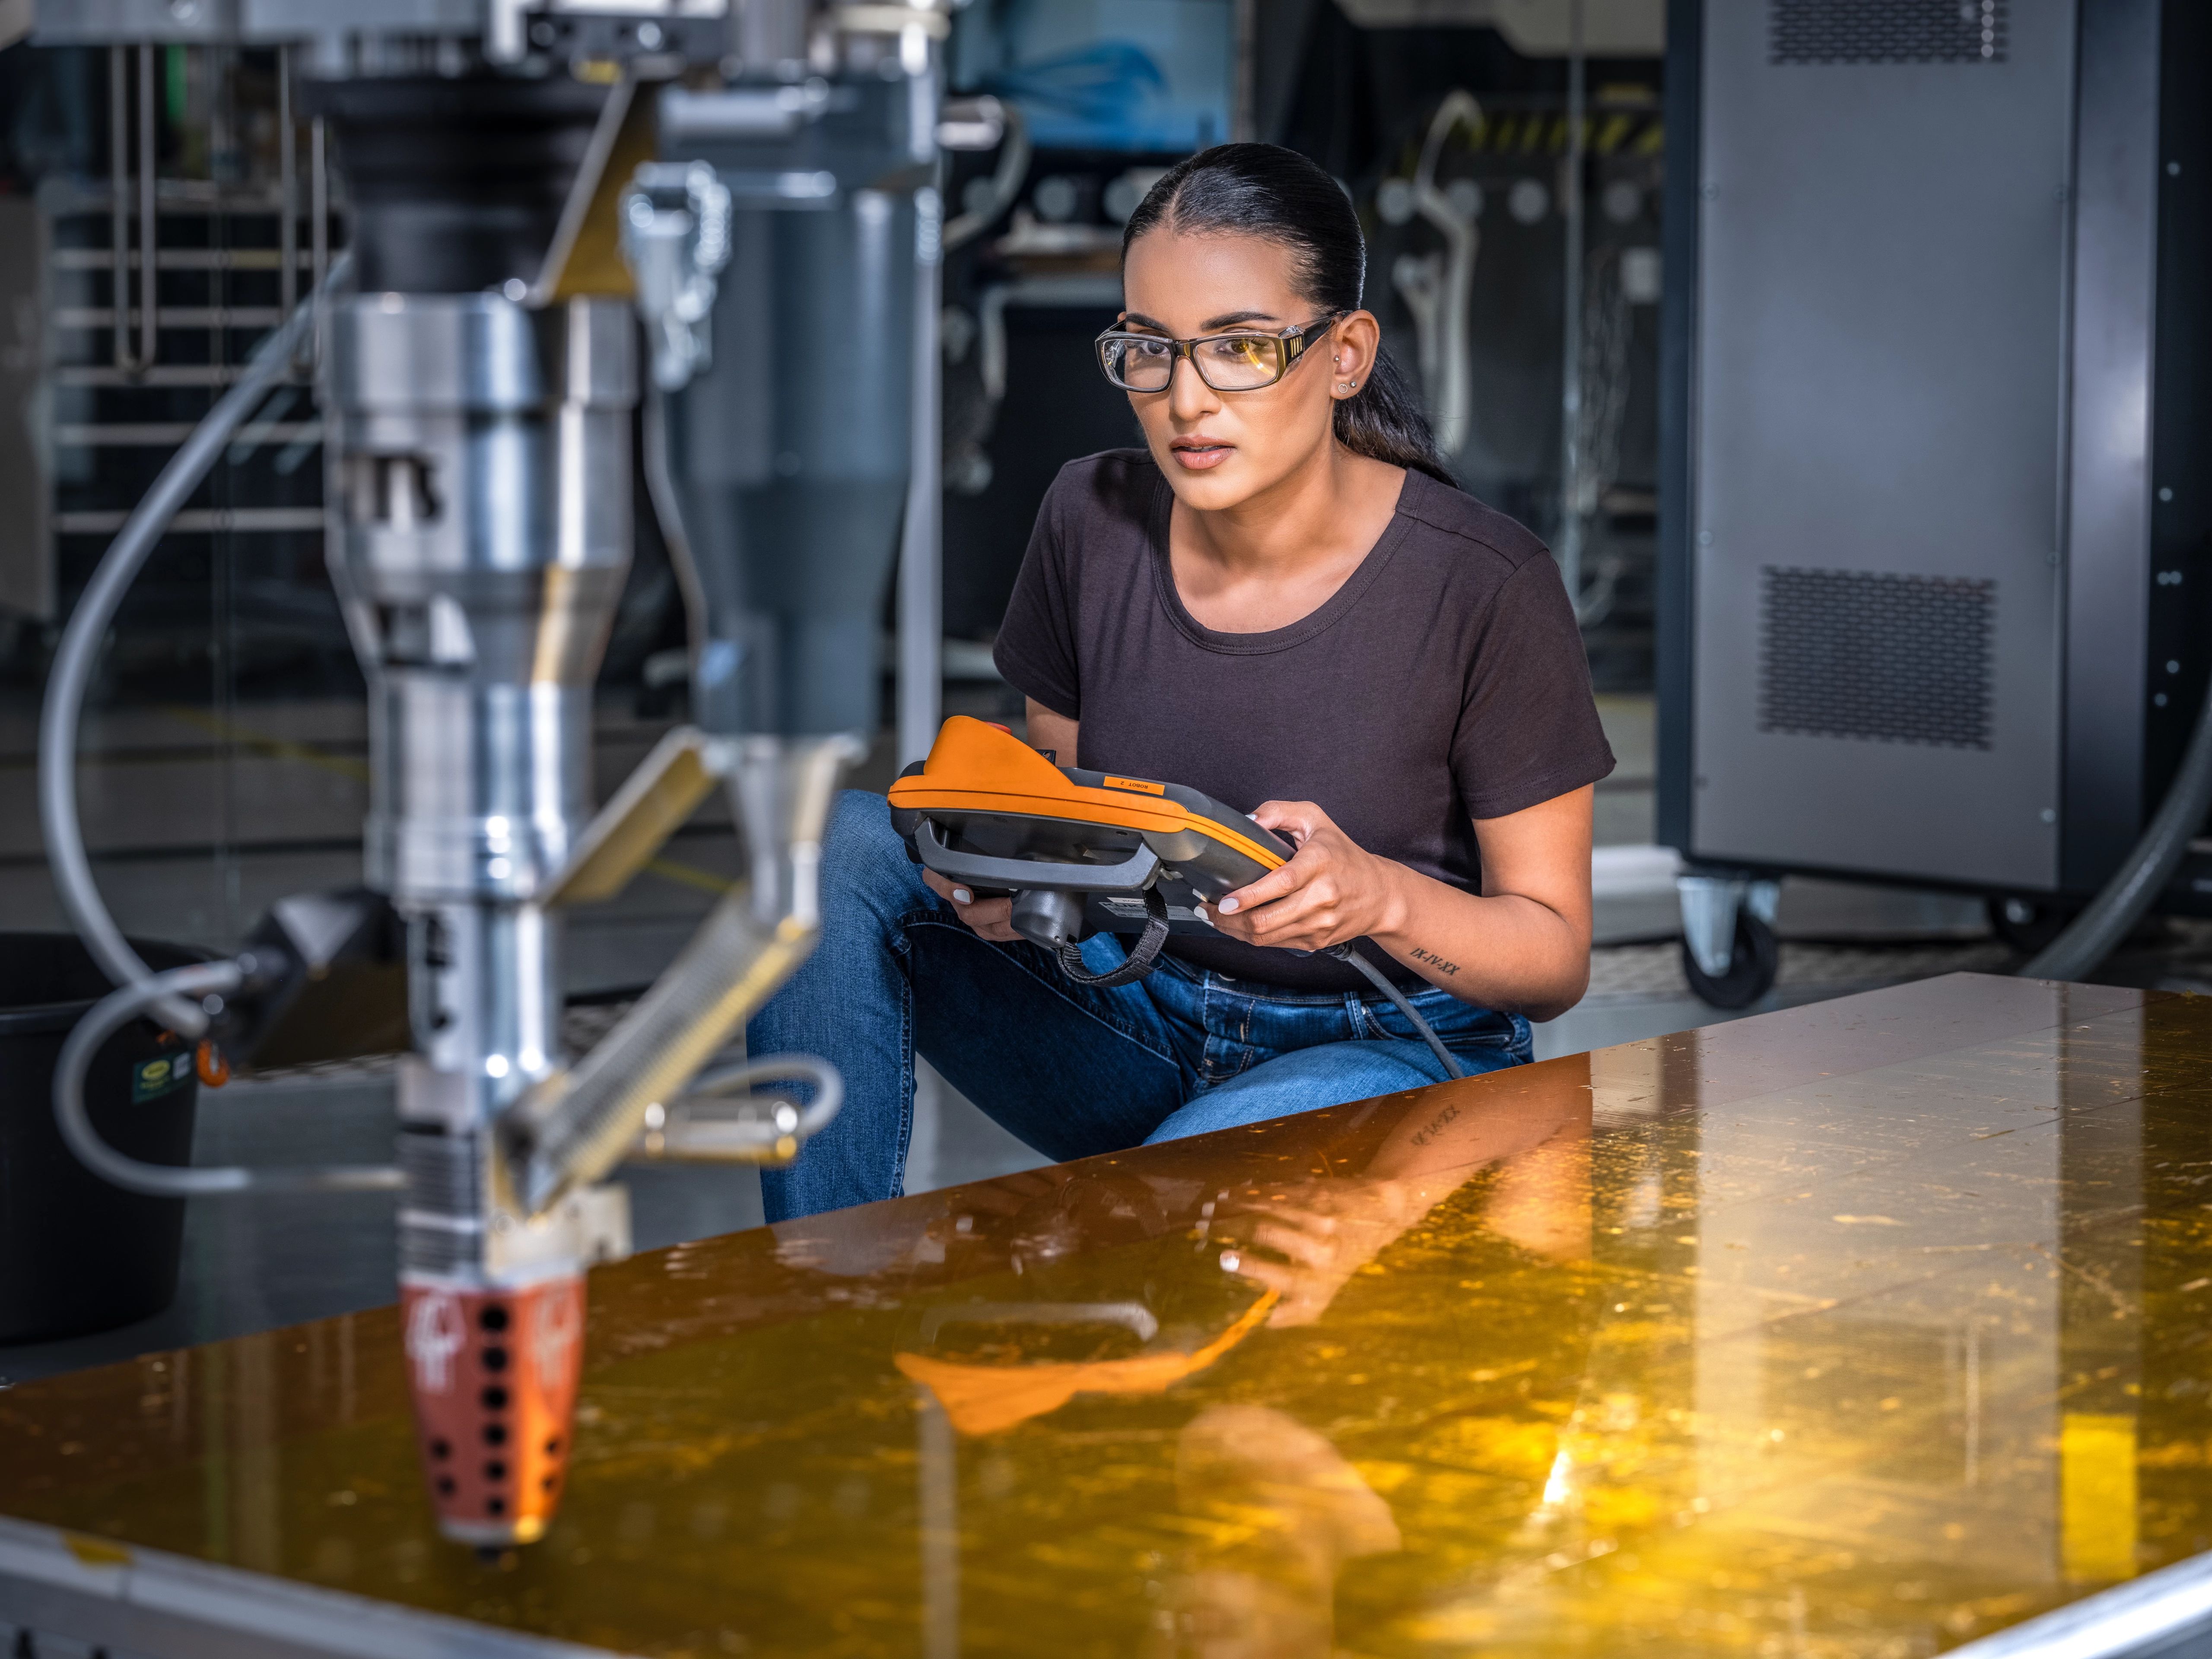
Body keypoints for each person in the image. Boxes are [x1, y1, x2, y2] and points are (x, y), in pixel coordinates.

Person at [750, 141, 1613, 1222]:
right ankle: (813, 1310)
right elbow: (1065, 818)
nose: (1185, 401)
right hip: (1138, 1015)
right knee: (838, 850)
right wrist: (1016, 884)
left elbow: (1553, 958)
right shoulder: (1088, 519)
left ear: (1344, 354)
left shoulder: (1486, 584)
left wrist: (1379, 895)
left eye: (1241, 348)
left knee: (1172, 1232)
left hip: (1393, 1050)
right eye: (1148, 351)